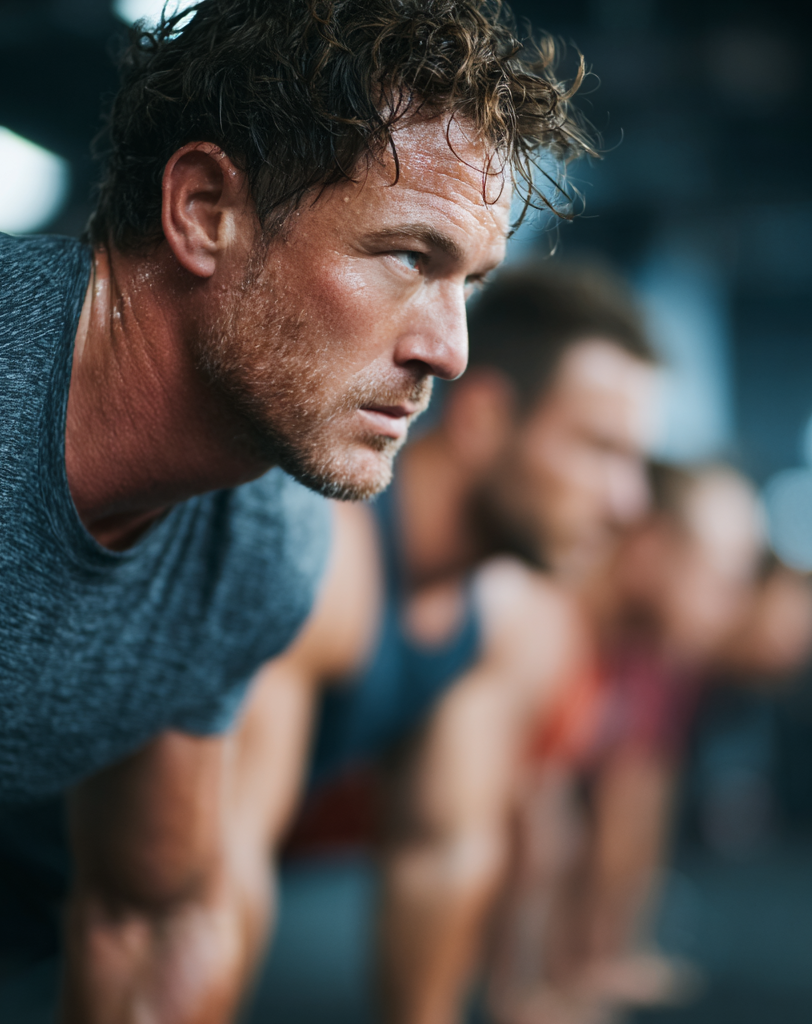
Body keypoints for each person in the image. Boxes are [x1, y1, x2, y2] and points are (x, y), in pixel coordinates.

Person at [0, 0, 588, 1016]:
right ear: (205, 210)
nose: (450, 349)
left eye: (466, 282)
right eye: (405, 256)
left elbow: (147, 913)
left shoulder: (262, 542)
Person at [228, 263, 660, 1024]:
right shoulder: (323, 558)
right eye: (600, 449)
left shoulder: (510, 621)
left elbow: (440, 858)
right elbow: (199, 894)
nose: (630, 503)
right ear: (486, 418)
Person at [489, 465, 772, 1024]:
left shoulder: (630, 659)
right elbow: (530, 834)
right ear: (648, 551)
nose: (736, 610)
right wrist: (522, 999)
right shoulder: (546, 623)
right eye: (723, 579)